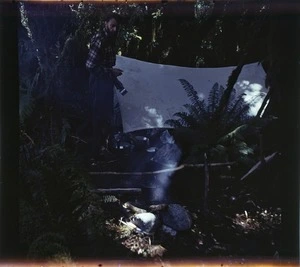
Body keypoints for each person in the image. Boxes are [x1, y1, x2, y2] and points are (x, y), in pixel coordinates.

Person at [86, 13, 123, 159]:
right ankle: (95, 153)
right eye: (112, 26)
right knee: (98, 117)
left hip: (106, 81)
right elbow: (90, 66)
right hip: (97, 82)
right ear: (105, 23)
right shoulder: (100, 39)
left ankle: (104, 147)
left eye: (116, 27)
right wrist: (110, 71)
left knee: (107, 115)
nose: (114, 29)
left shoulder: (110, 39)